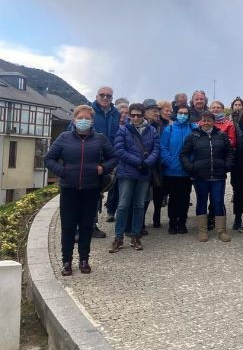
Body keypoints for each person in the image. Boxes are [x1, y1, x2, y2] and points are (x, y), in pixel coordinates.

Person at [45, 104, 117, 276]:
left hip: (91, 189)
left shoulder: (99, 139)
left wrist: (103, 168)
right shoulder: (63, 138)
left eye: (87, 118)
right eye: (80, 118)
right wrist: (63, 171)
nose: (83, 121)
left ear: (92, 121)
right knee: (68, 227)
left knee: (86, 226)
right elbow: (48, 158)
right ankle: (66, 261)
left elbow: (113, 157)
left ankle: (84, 259)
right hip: (69, 189)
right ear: (74, 120)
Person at [110, 103, 160, 253]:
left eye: (139, 114)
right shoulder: (123, 130)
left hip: (144, 174)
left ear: (143, 115)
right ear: (129, 115)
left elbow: (156, 149)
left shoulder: (152, 131)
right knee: (123, 205)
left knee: (139, 205)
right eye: (133, 115)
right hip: (127, 173)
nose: (136, 117)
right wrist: (138, 162)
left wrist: (148, 162)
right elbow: (119, 150)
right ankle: (118, 237)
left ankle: (135, 235)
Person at [180, 111, 234, 243]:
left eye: (209, 120)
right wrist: (191, 168)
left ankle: (221, 230)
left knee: (218, 202)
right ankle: (202, 230)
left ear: (213, 121)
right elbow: (184, 155)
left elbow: (230, 152)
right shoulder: (193, 136)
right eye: (203, 120)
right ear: (200, 122)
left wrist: (227, 166)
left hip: (218, 176)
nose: (206, 123)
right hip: (200, 176)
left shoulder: (221, 135)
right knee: (202, 202)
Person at [89, 86, 120, 235]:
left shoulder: (116, 114)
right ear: (96, 96)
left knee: (98, 193)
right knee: (85, 193)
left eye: (109, 96)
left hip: (108, 160)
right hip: (90, 159)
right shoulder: (89, 112)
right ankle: (79, 228)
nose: (105, 98)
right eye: (102, 95)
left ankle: (92, 225)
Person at [159, 104, 194, 234]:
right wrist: (170, 162)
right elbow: (163, 148)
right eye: (180, 113)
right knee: (173, 198)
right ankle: (172, 223)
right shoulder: (170, 129)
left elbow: (196, 148)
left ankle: (182, 223)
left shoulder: (193, 128)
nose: (183, 115)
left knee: (185, 199)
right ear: (176, 114)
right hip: (171, 171)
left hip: (187, 171)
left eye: (185, 113)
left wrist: (191, 164)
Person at [141, 98, 166, 231]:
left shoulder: (160, 125)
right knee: (145, 194)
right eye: (153, 111)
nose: (156, 113)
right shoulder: (141, 126)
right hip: (145, 163)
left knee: (158, 191)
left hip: (158, 164)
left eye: (157, 111)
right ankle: (141, 222)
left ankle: (157, 218)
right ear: (145, 112)